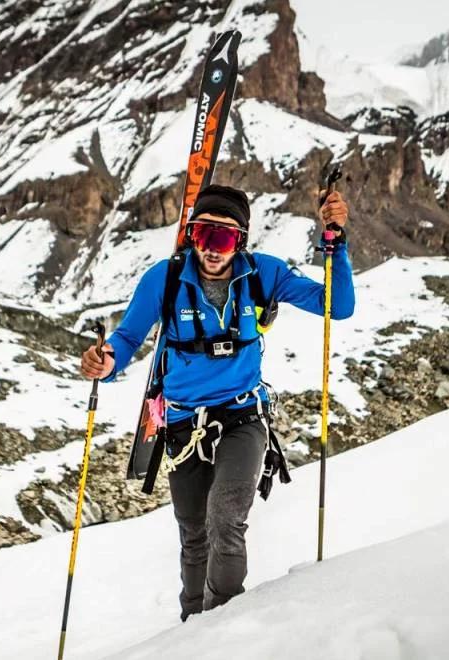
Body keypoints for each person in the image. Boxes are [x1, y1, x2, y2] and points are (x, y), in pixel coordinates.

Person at [78, 184, 354, 621]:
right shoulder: (165, 279)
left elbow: (337, 306)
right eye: (203, 235)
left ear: (240, 240)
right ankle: (192, 628)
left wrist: (335, 242)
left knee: (225, 519)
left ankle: (222, 626)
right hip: (184, 426)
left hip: (243, 417)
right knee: (193, 533)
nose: (211, 248)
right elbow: (128, 337)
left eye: (223, 238)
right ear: (191, 235)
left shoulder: (263, 274)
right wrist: (105, 362)